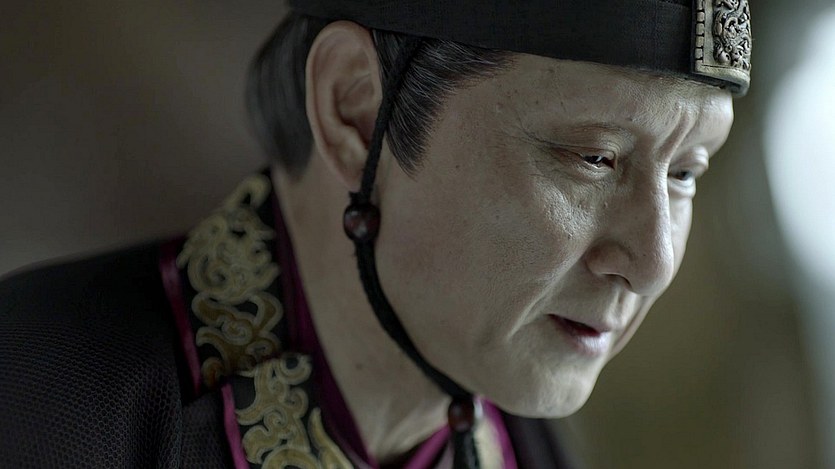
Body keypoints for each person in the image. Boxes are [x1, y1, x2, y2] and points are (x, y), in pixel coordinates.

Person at [0, 0, 752, 467]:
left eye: (686, 172)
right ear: (356, 108)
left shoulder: (529, 446)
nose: (652, 261)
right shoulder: (41, 397)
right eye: (593, 158)